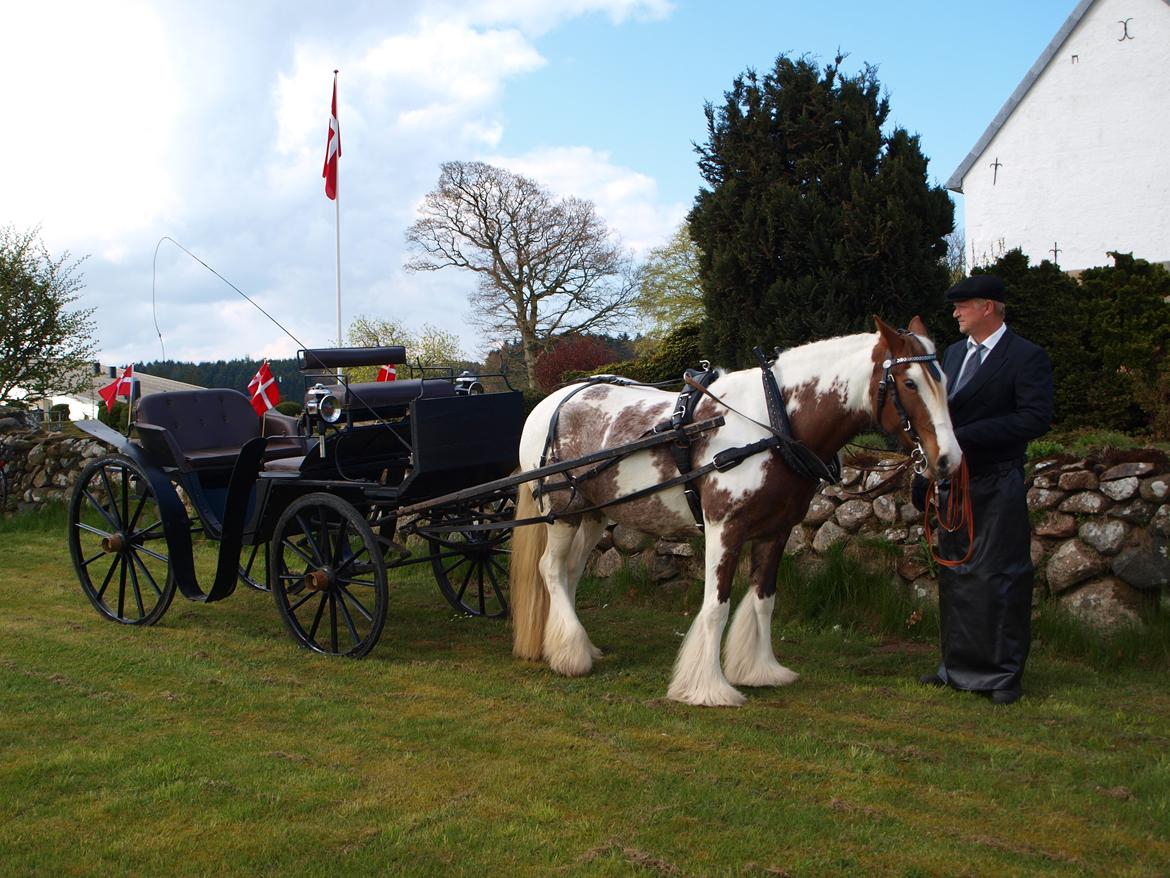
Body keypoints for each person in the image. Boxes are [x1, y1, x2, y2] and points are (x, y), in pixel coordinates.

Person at [919, 274, 1053, 705]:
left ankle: (1001, 675)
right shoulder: (954, 356)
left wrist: (967, 437)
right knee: (957, 572)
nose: (956, 313)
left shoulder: (1026, 356)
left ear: (988, 307)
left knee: (1000, 575)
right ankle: (955, 667)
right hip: (955, 483)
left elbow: (1034, 419)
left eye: (963, 305)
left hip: (998, 480)